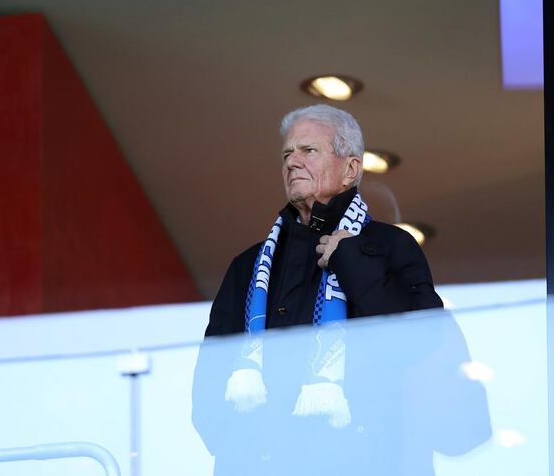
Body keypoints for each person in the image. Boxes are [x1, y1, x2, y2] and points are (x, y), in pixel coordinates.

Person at [192, 104, 490, 476]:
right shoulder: (248, 267)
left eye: (308, 150)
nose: (292, 162)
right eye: (287, 153)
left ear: (350, 169)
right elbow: (210, 381)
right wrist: (244, 447)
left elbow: (420, 339)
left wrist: (350, 260)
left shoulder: (390, 247)